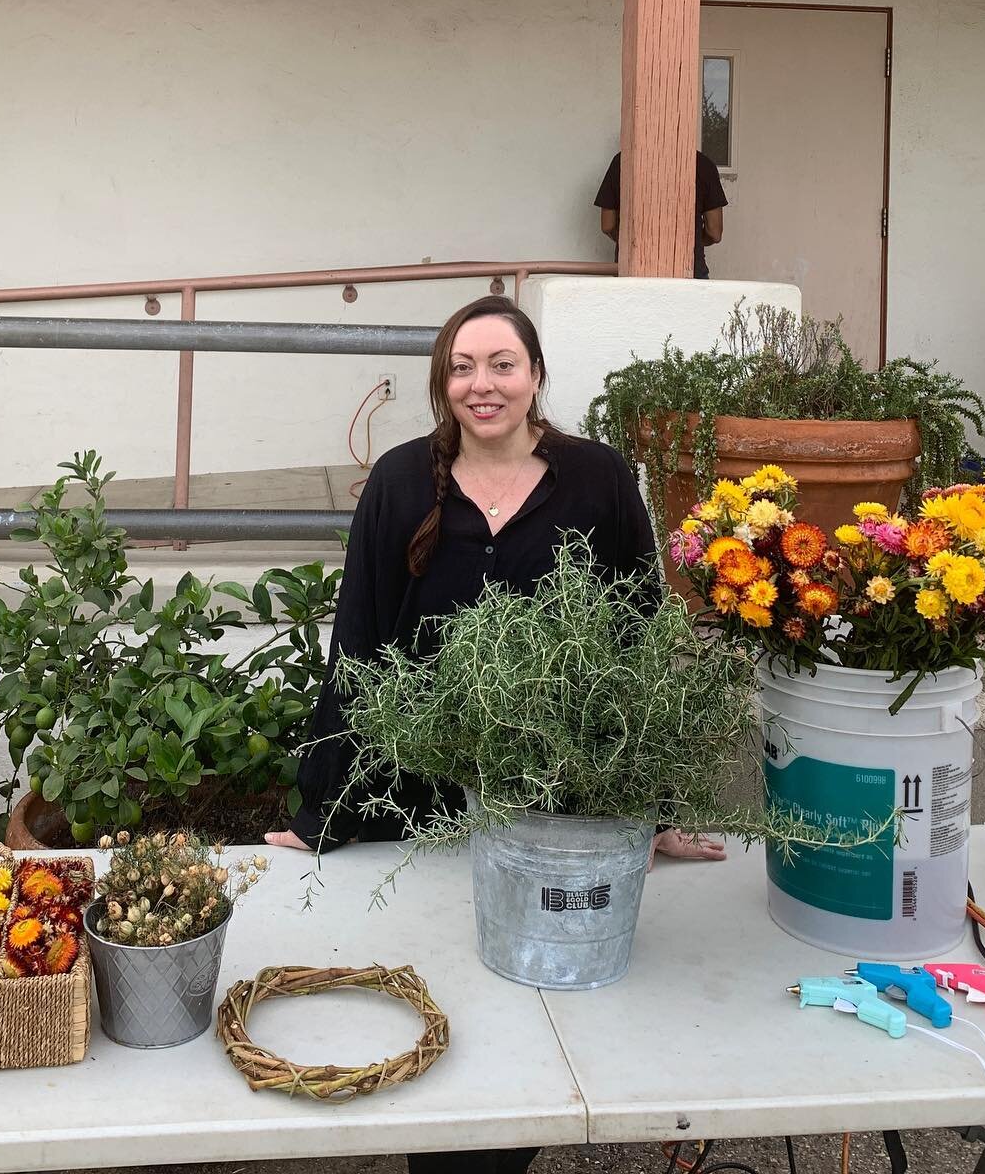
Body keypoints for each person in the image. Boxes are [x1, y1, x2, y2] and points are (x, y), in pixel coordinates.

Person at [264, 294, 722, 1174]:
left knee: (529, 1028)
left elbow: (638, 640)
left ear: (537, 376)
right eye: (463, 367)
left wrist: (651, 812)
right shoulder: (401, 482)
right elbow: (358, 645)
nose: (483, 384)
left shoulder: (597, 479)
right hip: (420, 798)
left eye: (501, 364)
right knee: (440, 1015)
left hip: (555, 793)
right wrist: (328, 808)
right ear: (444, 384)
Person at [595, 150, 727, 277]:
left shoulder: (622, 160)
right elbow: (715, 232)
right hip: (691, 270)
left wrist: (631, 242)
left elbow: (607, 225)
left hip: (633, 271)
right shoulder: (703, 164)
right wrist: (692, 242)